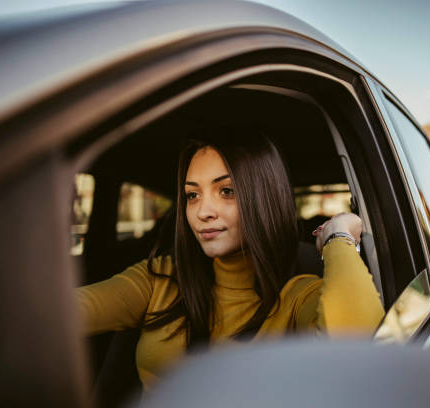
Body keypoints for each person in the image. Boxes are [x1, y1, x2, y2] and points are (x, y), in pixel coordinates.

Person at [76, 127, 385, 392]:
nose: (202, 211)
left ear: (262, 197)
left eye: (226, 191)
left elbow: (353, 344)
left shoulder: (297, 296)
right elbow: (60, 314)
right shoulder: (161, 278)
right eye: (192, 195)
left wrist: (338, 234)